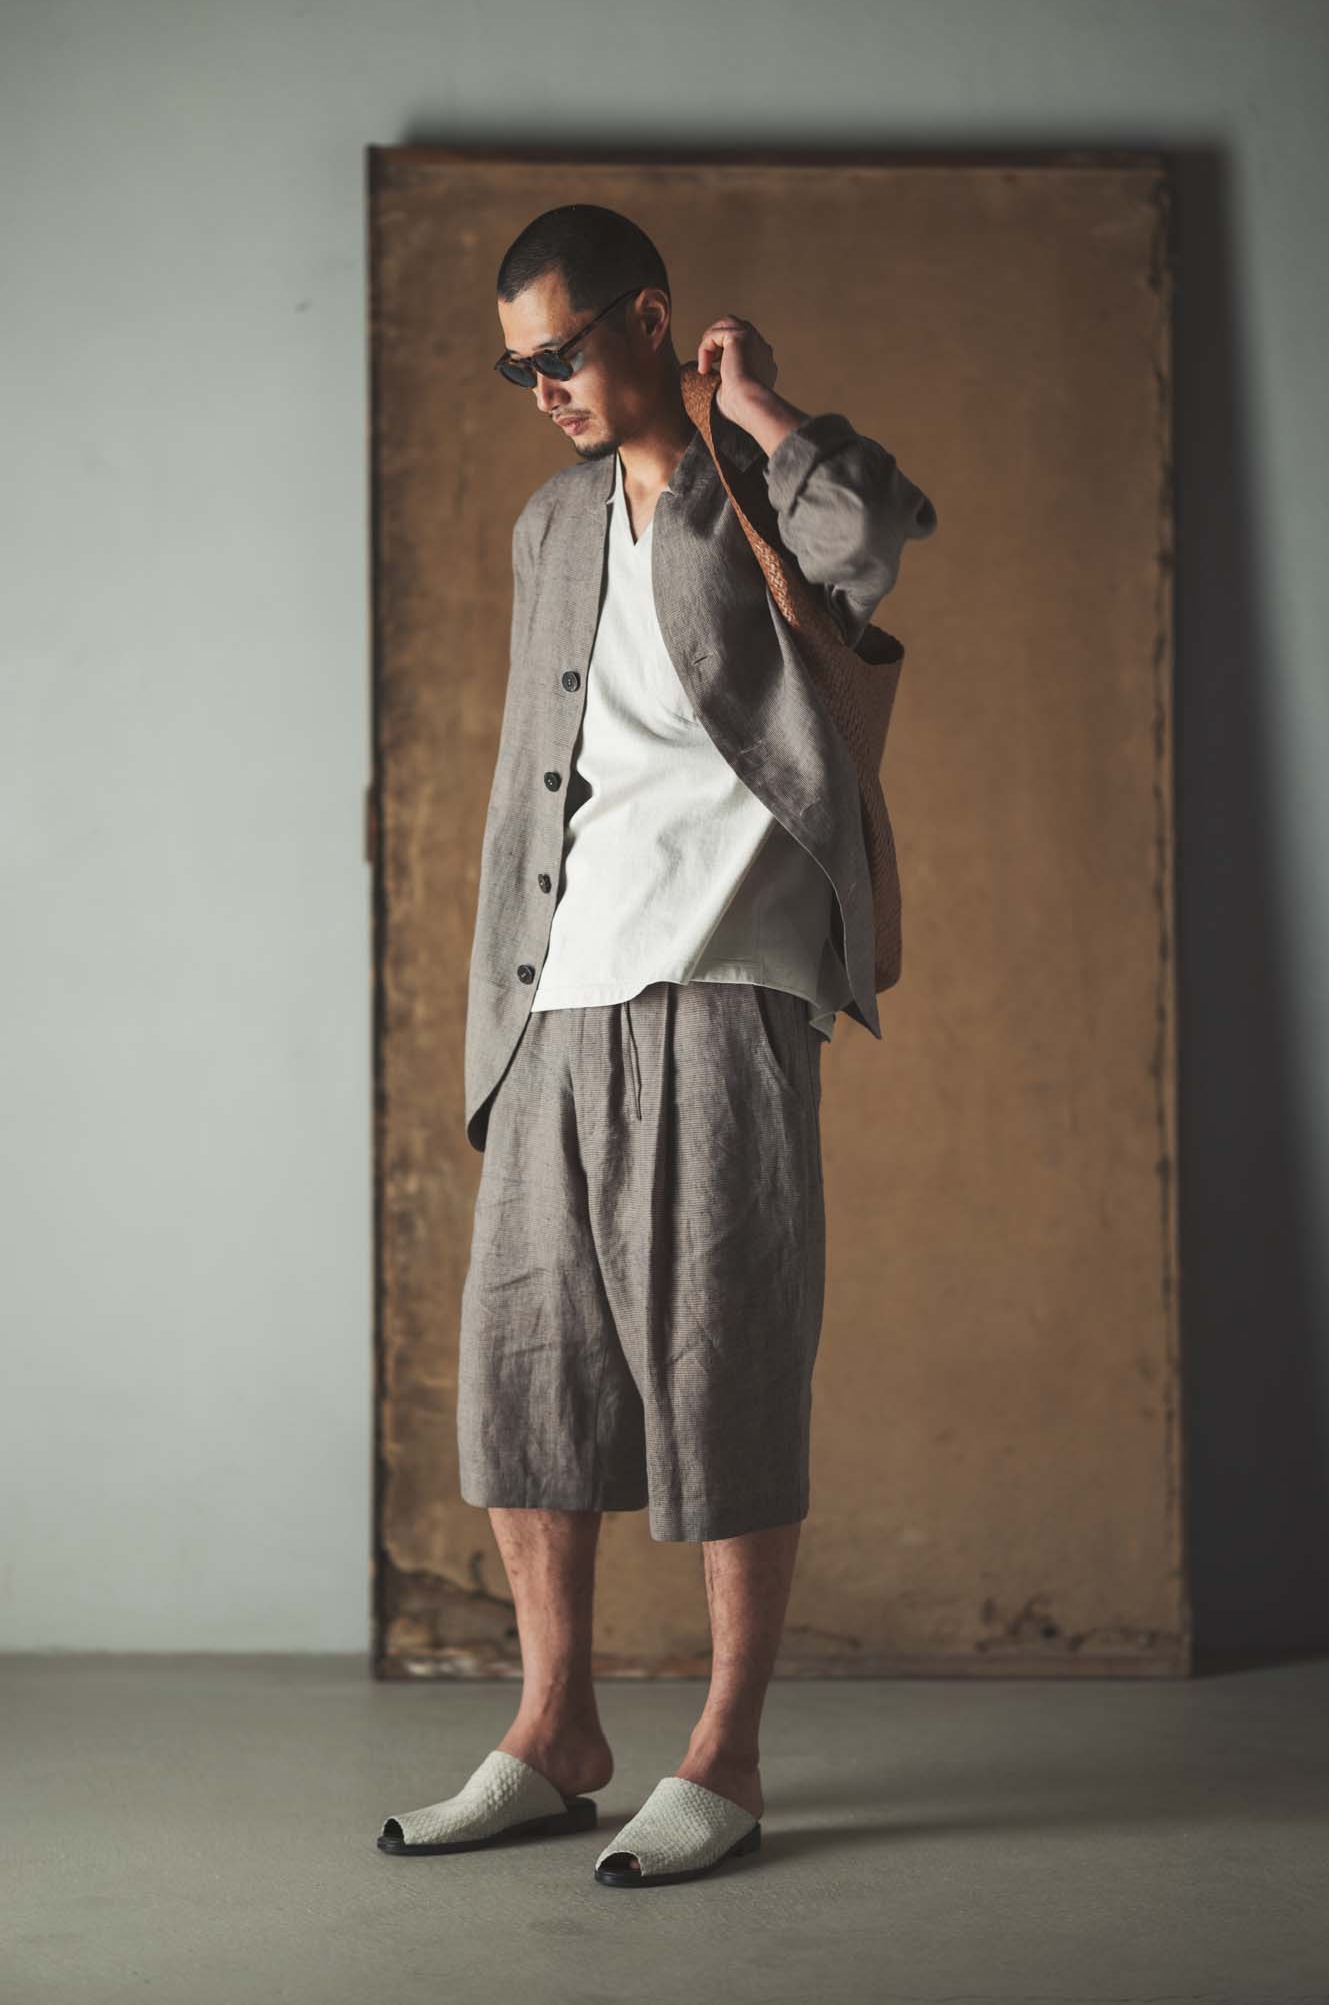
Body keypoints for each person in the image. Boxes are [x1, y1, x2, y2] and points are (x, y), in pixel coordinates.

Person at [379, 204, 936, 1888]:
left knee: (725, 1360)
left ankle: (727, 1753)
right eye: (517, 368)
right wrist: (500, 1003)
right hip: (557, 993)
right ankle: (555, 1731)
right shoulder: (551, 524)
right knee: (526, 1372)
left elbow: (876, 536)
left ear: (646, 319)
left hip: (726, 975)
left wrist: (754, 404)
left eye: (559, 350)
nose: (541, 386)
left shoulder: (754, 482)